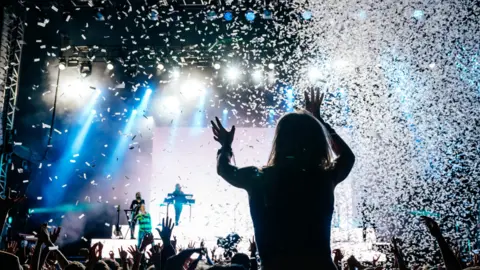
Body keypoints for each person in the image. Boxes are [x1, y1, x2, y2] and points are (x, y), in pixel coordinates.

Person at [211, 89, 355, 270]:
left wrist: (225, 147)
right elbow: (347, 157)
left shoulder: (259, 178)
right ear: (316, 141)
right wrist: (320, 121)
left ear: (279, 141)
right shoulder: (323, 177)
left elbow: (224, 169)